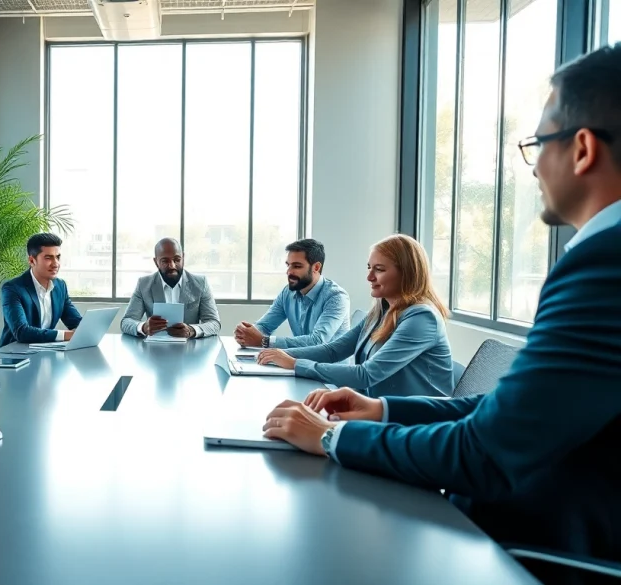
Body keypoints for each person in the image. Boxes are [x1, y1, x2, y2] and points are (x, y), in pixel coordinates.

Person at [261, 44, 621, 584]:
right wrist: (383, 410)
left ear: (583, 149)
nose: (533, 168)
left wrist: (332, 438)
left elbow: (486, 453)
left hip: (529, 550)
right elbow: (504, 411)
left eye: (538, 144)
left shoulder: (603, 267)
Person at [256, 234, 452, 398]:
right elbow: (333, 351)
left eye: (379, 269)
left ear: (407, 273)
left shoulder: (421, 318)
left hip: (415, 423)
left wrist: (295, 364)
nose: (369, 277)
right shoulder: (381, 312)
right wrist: (276, 355)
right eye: (369, 268)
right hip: (379, 410)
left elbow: (366, 375)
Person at [234, 238, 350, 349]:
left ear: (316, 267)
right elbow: (265, 326)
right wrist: (247, 333)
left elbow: (317, 341)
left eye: (297, 266)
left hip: (327, 363)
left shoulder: (336, 297)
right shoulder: (288, 293)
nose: (289, 271)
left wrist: (264, 341)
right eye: (288, 265)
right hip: (298, 360)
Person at [120, 238, 221, 339]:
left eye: (177, 260)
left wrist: (191, 330)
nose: (172, 265)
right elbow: (126, 322)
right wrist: (143, 327)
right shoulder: (144, 284)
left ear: (183, 257)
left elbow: (214, 323)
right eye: (165, 261)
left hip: (189, 346)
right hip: (155, 347)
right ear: (156, 262)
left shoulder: (200, 283)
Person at [0, 233, 82, 346]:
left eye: (58, 257)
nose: (55, 264)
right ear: (32, 260)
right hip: (15, 353)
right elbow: (21, 332)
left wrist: (88, 330)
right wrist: (67, 335)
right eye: (48, 258)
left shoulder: (60, 286)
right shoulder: (13, 289)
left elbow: (76, 322)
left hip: (45, 351)